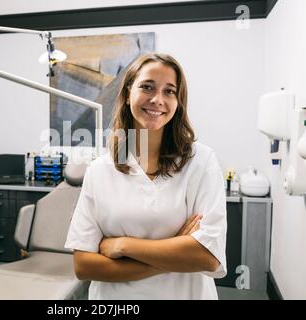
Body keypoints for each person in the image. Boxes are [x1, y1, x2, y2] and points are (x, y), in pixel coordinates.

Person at [65, 52, 227, 299]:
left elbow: (207, 257)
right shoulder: (100, 170)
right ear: (128, 91)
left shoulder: (201, 162)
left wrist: (122, 245)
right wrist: (175, 251)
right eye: (147, 87)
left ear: (178, 101)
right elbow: (84, 265)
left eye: (169, 91)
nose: (157, 99)